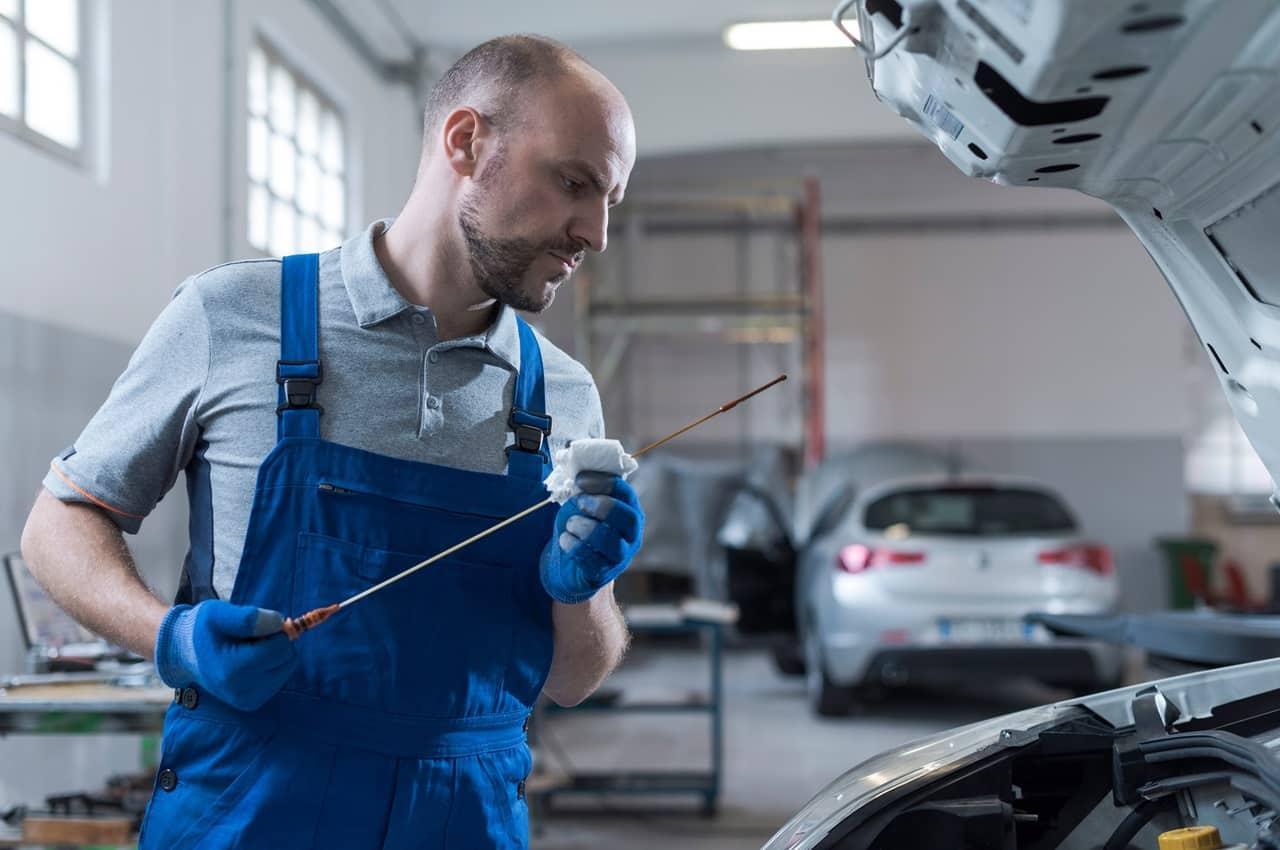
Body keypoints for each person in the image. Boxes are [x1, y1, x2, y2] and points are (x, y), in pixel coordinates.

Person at [19, 34, 642, 850]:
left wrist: (580, 589)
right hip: (250, 812)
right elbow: (57, 525)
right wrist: (170, 638)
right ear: (465, 141)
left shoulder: (561, 396)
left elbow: (573, 678)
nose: (593, 232)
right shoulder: (235, 317)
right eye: (574, 182)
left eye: (610, 202)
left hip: (465, 821)